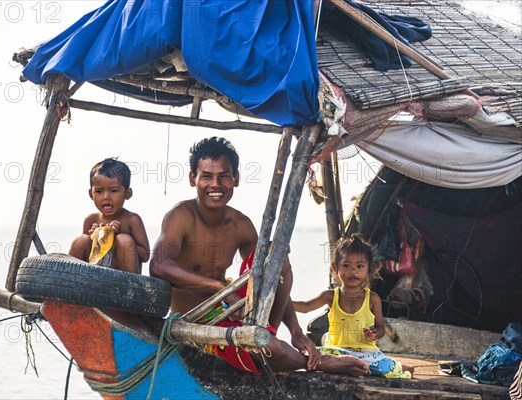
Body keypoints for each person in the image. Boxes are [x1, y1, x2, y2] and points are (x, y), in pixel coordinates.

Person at [150, 136, 369, 376]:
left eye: (224, 176)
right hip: (195, 322)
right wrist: (218, 287)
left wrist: (296, 331)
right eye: (206, 176)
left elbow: (273, 275)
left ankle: (269, 334)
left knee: (276, 257)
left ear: (236, 179)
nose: (216, 184)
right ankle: (321, 363)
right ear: (193, 179)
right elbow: (159, 266)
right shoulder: (180, 216)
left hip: (231, 312)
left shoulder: (240, 225)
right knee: (271, 348)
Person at [293, 234, 414, 378]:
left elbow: (381, 328)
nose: (353, 271)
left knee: (385, 368)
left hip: (366, 353)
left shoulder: (373, 299)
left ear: (369, 270)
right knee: (316, 356)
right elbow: (306, 307)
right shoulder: (330, 296)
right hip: (338, 352)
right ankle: (350, 365)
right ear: (335, 267)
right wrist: (281, 300)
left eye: (360, 266)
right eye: (346, 265)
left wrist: (375, 333)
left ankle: (396, 367)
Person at [69, 157, 149, 273]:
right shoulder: (91, 219)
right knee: (81, 240)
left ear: (128, 193)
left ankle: (131, 287)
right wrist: (94, 237)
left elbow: (145, 255)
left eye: (114, 190)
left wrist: (116, 238)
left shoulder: (132, 220)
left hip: (124, 279)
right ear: (91, 194)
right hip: (95, 276)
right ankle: (68, 281)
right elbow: (88, 253)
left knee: (124, 240)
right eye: (99, 191)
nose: (106, 197)